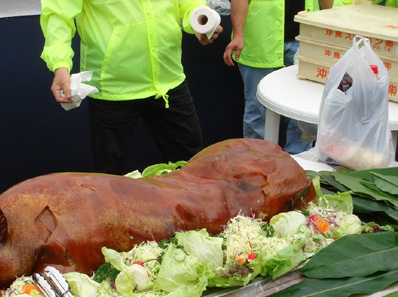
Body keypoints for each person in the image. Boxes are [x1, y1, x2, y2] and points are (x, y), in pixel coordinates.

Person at [40, 1, 223, 175]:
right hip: (113, 87)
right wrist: (60, 64)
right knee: (110, 176)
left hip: (167, 80)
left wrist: (198, 20)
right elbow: (58, 14)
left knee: (192, 166)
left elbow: (189, 3)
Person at [223, 0, 333, 155]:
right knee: (257, 109)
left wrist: (330, 24)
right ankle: (258, 161)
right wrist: (238, 34)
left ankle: (298, 162)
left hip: (305, 38)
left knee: (303, 108)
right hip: (261, 41)